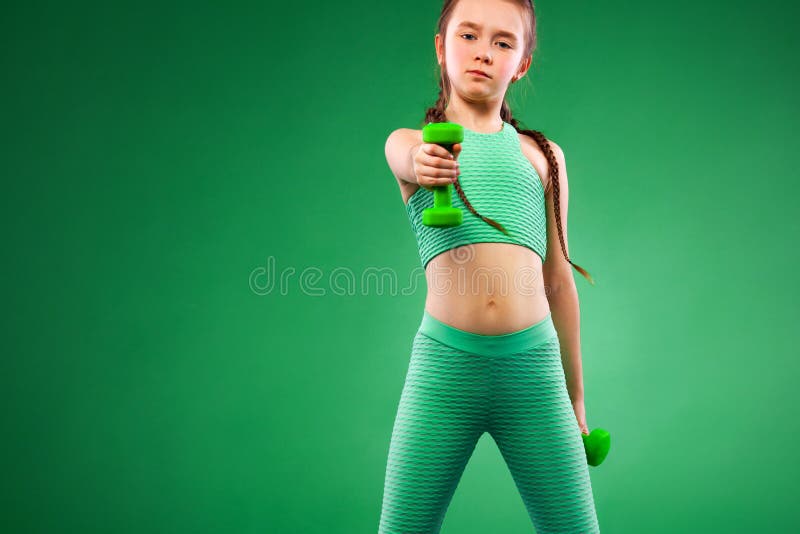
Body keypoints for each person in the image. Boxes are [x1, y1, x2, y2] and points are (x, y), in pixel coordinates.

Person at [378, 0, 601, 532]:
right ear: (441, 47)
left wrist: (575, 398)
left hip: (535, 373)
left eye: (503, 42)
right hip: (443, 372)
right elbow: (406, 156)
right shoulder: (415, 146)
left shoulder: (542, 157)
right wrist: (422, 162)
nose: (484, 53)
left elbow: (559, 281)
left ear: (521, 62)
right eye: (469, 36)